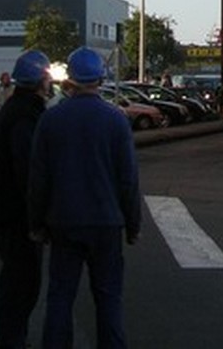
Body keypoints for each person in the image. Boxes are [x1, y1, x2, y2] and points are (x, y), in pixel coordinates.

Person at [29, 47, 141, 349]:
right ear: (100, 79)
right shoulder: (116, 121)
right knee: (108, 299)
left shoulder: (51, 120)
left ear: (70, 80)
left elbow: (39, 178)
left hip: (63, 222)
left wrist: (37, 222)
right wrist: (133, 224)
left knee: (60, 297)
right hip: (106, 224)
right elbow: (128, 179)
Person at [0, 51, 52, 349]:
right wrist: (38, 217)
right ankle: (12, 341)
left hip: (8, 212)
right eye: (48, 76)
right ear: (40, 80)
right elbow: (28, 171)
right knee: (22, 283)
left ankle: (12, 339)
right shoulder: (25, 116)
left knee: (19, 280)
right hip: (16, 216)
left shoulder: (17, 110)